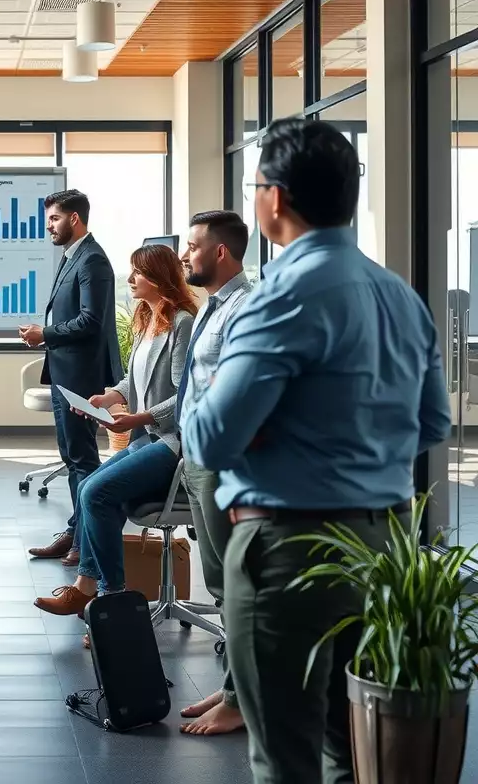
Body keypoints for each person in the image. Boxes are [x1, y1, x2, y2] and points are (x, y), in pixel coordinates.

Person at [182, 118, 452, 784]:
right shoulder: (400, 297)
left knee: (284, 760)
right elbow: (432, 423)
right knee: (347, 750)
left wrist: (218, 392)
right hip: (383, 549)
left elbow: (212, 437)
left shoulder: (277, 299)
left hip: (288, 555)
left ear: (274, 199)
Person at [35, 244, 195, 627]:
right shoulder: (147, 317)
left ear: (158, 277)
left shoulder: (182, 321)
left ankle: (109, 602)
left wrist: (138, 416)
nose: (132, 279)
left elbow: (184, 394)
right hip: (147, 438)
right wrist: (109, 397)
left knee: (95, 492)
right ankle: (89, 590)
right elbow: (132, 378)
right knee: (93, 487)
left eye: (138, 272)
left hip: (172, 443)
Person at [173, 210, 252, 738]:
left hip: (223, 460)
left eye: (194, 247)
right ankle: (231, 691)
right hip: (197, 455)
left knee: (237, 586)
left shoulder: (244, 308)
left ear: (220, 252)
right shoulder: (211, 306)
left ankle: (242, 701)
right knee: (221, 582)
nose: (184, 256)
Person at [22, 189, 122, 562]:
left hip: (82, 376)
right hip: (67, 371)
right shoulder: (72, 256)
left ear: (75, 219)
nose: (48, 225)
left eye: (54, 218)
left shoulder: (92, 260)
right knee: (72, 455)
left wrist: (44, 334)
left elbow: (91, 321)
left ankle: (85, 542)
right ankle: (75, 529)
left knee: (82, 459)